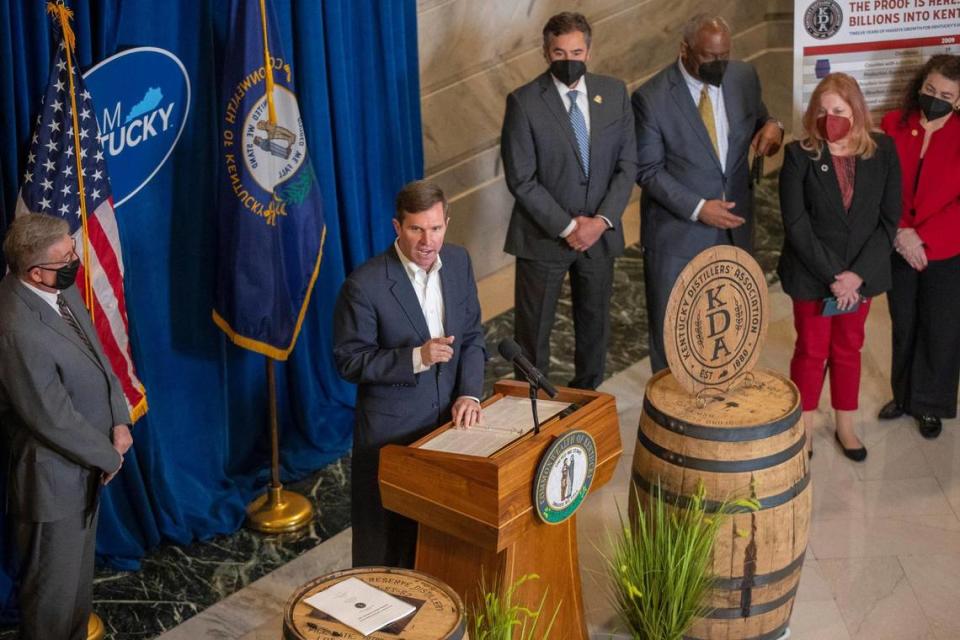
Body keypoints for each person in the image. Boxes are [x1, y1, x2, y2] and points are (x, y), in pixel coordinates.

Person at [333, 180, 486, 568]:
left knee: (439, 540)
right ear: (396, 227)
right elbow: (349, 361)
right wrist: (415, 357)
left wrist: (469, 393)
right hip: (391, 436)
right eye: (416, 228)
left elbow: (471, 338)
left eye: (435, 228)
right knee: (387, 547)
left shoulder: (460, 262)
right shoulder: (364, 285)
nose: (427, 240)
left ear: (446, 223)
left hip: (448, 429)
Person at [0, 214, 133, 640]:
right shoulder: (16, 330)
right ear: (34, 271)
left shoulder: (61, 286)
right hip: (52, 482)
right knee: (51, 604)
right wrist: (108, 455)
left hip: (87, 469)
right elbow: (49, 417)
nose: (76, 260)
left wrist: (119, 418)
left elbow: (98, 356)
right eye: (66, 257)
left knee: (75, 595)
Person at [632, 14, 784, 373]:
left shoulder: (743, 77)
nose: (719, 65)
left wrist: (774, 127)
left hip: (734, 229)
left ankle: (722, 402)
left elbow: (761, 119)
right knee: (675, 334)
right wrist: (699, 208)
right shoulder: (651, 98)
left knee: (730, 325)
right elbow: (648, 170)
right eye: (709, 58)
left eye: (724, 56)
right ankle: (674, 416)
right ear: (685, 50)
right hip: (677, 234)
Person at [500, 11, 637, 390]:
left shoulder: (613, 93)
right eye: (559, 53)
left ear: (589, 51)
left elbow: (628, 166)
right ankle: (532, 414)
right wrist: (568, 227)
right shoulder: (524, 102)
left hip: (600, 237)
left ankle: (586, 403)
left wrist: (601, 222)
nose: (569, 60)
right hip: (542, 238)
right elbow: (521, 179)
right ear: (546, 54)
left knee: (595, 329)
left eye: (576, 51)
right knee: (533, 336)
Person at [777, 73, 901, 461]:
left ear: (857, 112)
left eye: (839, 110)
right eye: (823, 110)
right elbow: (795, 223)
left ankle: (846, 425)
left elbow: (888, 220)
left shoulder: (883, 151)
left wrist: (855, 276)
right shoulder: (800, 155)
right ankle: (805, 429)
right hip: (813, 274)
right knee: (812, 350)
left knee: (849, 347)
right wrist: (835, 276)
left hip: (859, 277)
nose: (829, 117)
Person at [878, 55, 960, 439]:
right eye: (930, 89)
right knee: (904, 322)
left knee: (940, 328)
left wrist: (922, 237)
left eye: (946, 94)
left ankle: (930, 404)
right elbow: (882, 186)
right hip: (899, 244)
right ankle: (904, 396)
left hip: (945, 248)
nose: (936, 98)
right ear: (919, 85)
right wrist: (901, 232)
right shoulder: (894, 125)